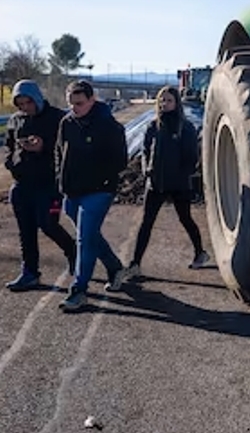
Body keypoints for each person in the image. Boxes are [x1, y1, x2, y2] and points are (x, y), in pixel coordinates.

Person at [55, 79, 131, 311]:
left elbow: (120, 160)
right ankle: (115, 268)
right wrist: (61, 178)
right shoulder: (67, 123)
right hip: (72, 190)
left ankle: (79, 290)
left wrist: (99, 177)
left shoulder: (109, 126)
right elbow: (59, 152)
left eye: (79, 103)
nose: (74, 108)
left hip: (99, 190)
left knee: (85, 238)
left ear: (92, 100)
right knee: (89, 235)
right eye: (71, 103)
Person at [126, 86, 210, 276]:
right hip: (155, 183)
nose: (164, 104)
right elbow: (146, 150)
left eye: (169, 100)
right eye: (162, 100)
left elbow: (192, 157)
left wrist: (182, 175)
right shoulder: (153, 126)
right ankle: (135, 264)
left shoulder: (186, 127)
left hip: (178, 184)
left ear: (176, 103)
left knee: (185, 219)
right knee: (146, 222)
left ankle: (200, 253)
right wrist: (147, 170)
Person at [2, 79, 77, 291]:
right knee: (26, 230)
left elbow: (67, 150)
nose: (25, 107)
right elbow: (8, 146)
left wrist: (44, 147)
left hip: (49, 184)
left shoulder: (57, 118)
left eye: (28, 102)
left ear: (37, 98)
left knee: (48, 224)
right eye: (21, 104)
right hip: (22, 183)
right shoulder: (15, 120)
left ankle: (72, 251)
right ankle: (30, 272)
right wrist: (12, 162)